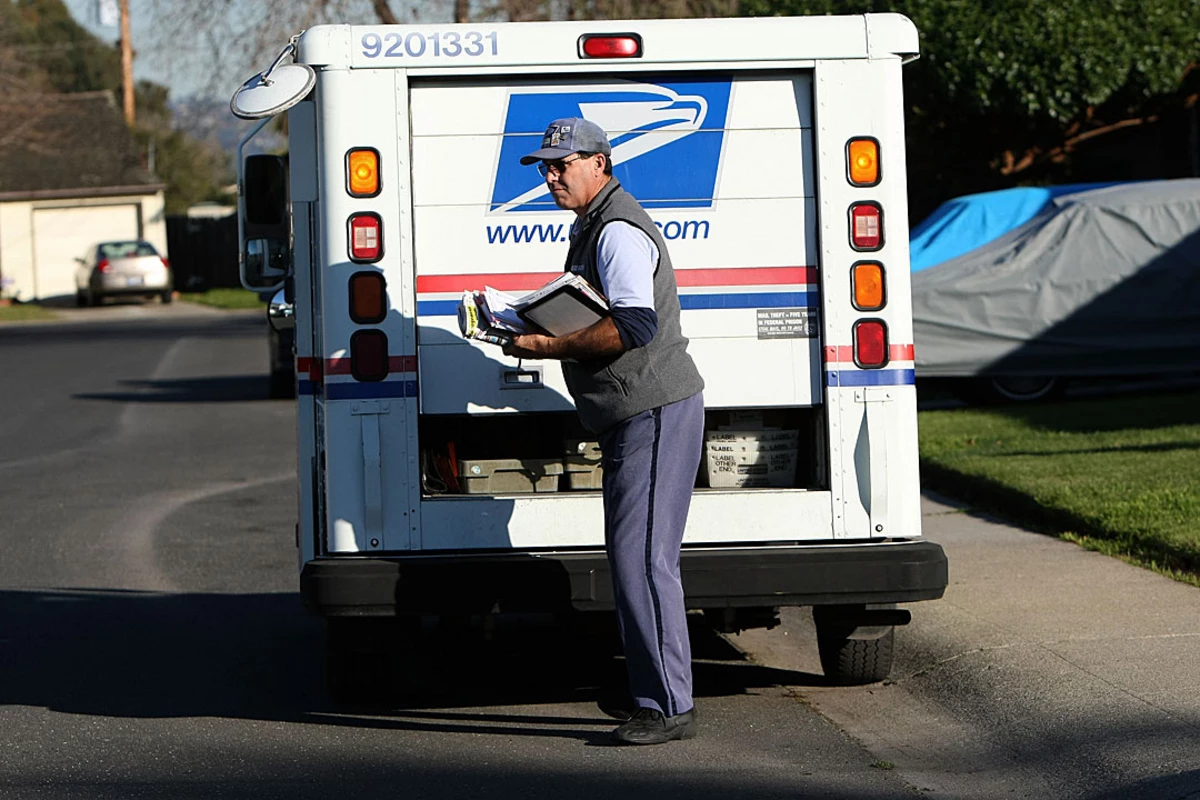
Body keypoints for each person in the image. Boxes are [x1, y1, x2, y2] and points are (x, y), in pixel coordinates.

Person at [503, 118, 705, 746]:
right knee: (637, 557)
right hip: (637, 411)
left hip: (653, 408)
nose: (551, 176)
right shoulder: (596, 223)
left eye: (561, 165)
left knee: (643, 559)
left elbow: (635, 327)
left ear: (599, 162)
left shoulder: (616, 229)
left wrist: (548, 344)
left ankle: (668, 706)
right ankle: (659, 695)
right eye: (546, 166)